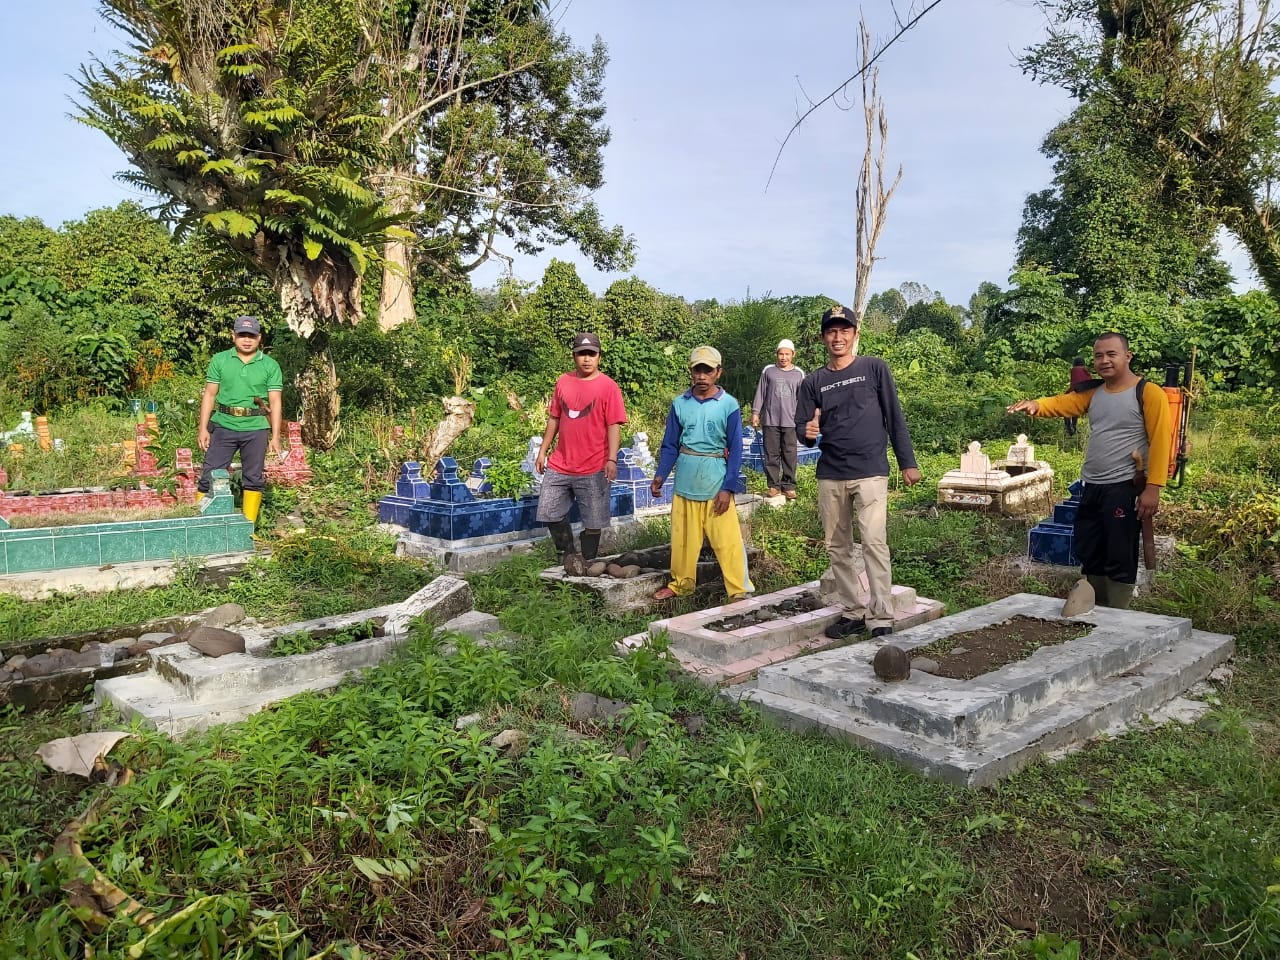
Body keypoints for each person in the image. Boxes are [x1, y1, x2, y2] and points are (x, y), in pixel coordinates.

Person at [1007, 332, 1170, 609]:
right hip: (1092, 485)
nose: (1104, 361)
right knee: (1090, 545)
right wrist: (1036, 405)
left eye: (1111, 354)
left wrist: (1153, 487)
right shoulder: (1095, 393)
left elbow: (1161, 440)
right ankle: (1095, 607)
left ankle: (1118, 611)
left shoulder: (1148, 392)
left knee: (1119, 551)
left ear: (1127, 357)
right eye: (1098, 355)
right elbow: (1063, 403)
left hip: (1123, 486)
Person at [794, 304, 921, 640]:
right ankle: (852, 611)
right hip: (831, 472)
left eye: (844, 330)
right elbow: (802, 428)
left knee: (874, 542)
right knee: (837, 545)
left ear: (854, 334)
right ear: (824, 337)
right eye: (832, 331)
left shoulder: (874, 369)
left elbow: (894, 417)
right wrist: (807, 431)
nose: (838, 337)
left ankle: (881, 616)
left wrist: (908, 462)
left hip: (870, 470)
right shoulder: (813, 382)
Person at [650, 346, 754, 601]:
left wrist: (728, 487)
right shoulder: (680, 404)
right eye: (698, 370)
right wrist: (661, 474)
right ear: (691, 372)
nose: (702, 376)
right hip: (686, 481)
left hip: (715, 483)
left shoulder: (728, 405)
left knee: (727, 541)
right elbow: (670, 444)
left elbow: (736, 449)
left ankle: (739, 590)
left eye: (708, 370)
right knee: (683, 541)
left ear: (718, 372)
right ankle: (681, 585)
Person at [534, 333, 628, 575]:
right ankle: (568, 555)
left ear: (599, 357)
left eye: (591, 354)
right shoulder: (563, 382)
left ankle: (588, 563)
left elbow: (613, 425)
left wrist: (612, 459)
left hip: (594, 464)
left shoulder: (609, 387)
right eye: (581, 354)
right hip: (560, 463)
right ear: (574, 356)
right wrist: (543, 451)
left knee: (594, 522)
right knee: (549, 510)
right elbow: (555, 418)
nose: (586, 359)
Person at [197, 315, 283, 525]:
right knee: (209, 475)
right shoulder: (220, 360)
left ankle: (247, 528)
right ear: (233, 336)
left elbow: (276, 402)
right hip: (223, 424)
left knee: (253, 478)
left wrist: (276, 436)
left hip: (255, 427)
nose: (247, 340)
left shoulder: (269, 365)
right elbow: (209, 395)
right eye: (242, 335)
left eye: (251, 336)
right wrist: (202, 428)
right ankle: (199, 523)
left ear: (259, 338)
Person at [751, 338, 806, 500]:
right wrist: (755, 412)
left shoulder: (799, 373)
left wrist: (804, 418)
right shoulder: (768, 371)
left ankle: (789, 486)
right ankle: (773, 485)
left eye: (787, 354)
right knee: (771, 454)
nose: (783, 357)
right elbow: (761, 393)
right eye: (781, 354)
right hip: (770, 420)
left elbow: (803, 399)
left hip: (791, 421)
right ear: (777, 354)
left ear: (793, 355)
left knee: (789, 454)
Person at [1065, 357, 1091, 436]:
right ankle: (1074, 426)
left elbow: (1074, 383)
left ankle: (1069, 427)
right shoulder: (1085, 370)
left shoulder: (1074, 370)